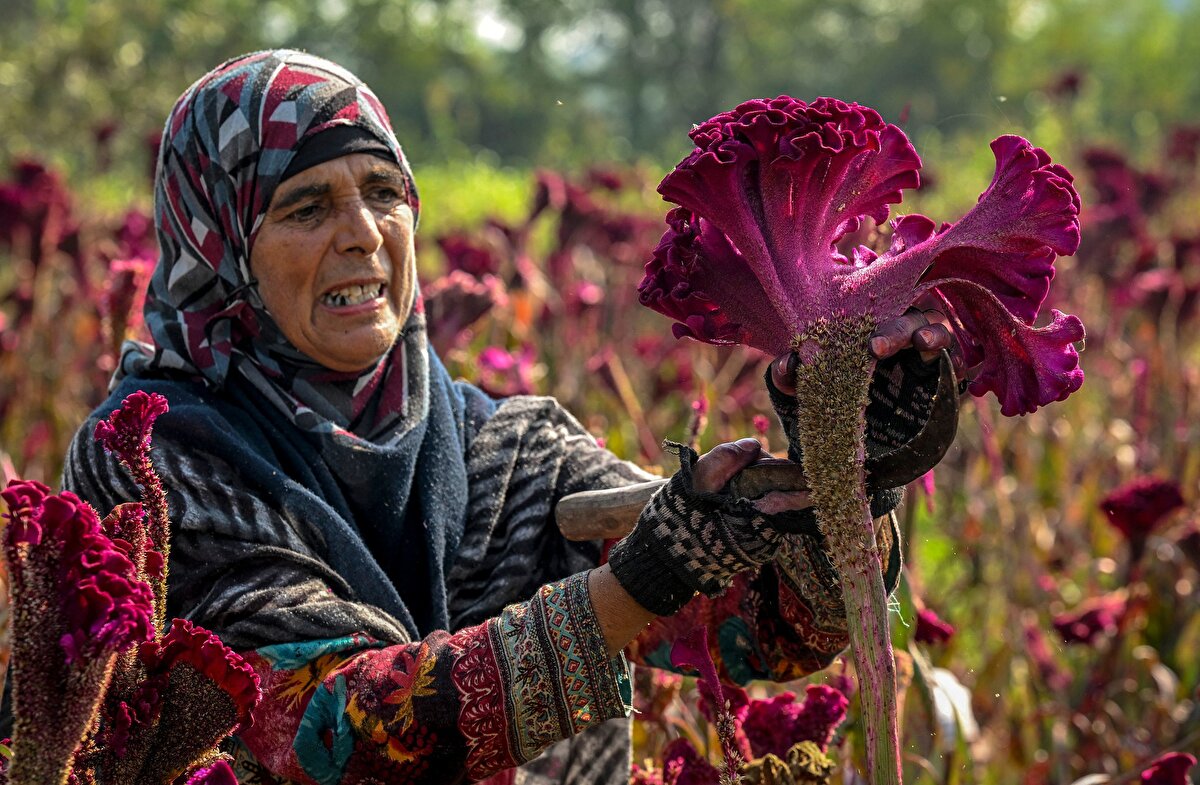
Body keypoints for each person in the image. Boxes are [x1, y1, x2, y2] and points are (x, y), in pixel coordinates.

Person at [63, 50, 958, 784]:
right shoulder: (153, 456)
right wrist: (634, 583)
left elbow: (761, 632)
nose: (365, 233)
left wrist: (843, 465)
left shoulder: (508, 452)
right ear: (218, 244)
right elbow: (320, 732)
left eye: (383, 191)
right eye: (305, 207)